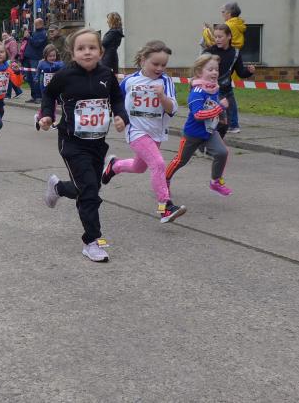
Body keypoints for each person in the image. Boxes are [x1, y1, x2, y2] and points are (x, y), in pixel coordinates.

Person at [39, 28, 128, 263]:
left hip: (97, 143)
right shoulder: (65, 75)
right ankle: (92, 241)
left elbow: (117, 99)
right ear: (72, 52)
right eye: (81, 48)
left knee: (88, 188)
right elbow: (48, 95)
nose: (87, 52)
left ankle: (58, 188)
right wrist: (47, 115)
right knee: (89, 191)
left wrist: (121, 116)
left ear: (100, 51)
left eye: (92, 48)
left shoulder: (107, 74)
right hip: (72, 142)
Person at [101, 41, 186, 223]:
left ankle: (114, 166)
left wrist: (162, 96)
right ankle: (165, 206)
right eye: (155, 64)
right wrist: (119, 118)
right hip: (136, 131)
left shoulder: (166, 82)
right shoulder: (129, 81)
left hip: (156, 132)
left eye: (163, 65)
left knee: (139, 167)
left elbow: (172, 109)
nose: (160, 68)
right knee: (158, 164)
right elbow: (116, 102)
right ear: (142, 60)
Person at [165, 54, 233, 197]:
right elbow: (198, 115)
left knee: (222, 152)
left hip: (209, 131)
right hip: (193, 134)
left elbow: (212, 104)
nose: (214, 72)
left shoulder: (213, 88)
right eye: (210, 69)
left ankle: (215, 182)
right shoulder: (197, 93)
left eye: (216, 69)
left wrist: (222, 117)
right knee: (180, 161)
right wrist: (220, 108)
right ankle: (163, 181)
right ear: (199, 72)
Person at [202, 24, 255, 135]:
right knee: (218, 117)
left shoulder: (235, 53)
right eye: (215, 37)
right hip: (212, 89)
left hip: (227, 88)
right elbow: (200, 70)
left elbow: (241, 73)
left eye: (220, 37)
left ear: (229, 36)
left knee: (232, 122)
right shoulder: (209, 52)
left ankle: (230, 129)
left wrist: (249, 71)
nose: (217, 39)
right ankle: (213, 133)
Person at [33, 44, 64, 130]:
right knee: (48, 104)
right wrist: (36, 78)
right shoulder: (42, 63)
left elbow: (63, 69)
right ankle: (50, 121)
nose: (52, 58)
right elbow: (38, 72)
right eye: (50, 56)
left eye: (54, 55)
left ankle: (39, 117)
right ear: (45, 56)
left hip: (56, 87)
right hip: (45, 87)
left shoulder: (59, 64)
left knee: (53, 104)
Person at [24, 18, 48, 103]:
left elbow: (36, 44)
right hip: (29, 57)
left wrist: (29, 37)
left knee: (35, 78)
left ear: (41, 24)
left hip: (36, 58)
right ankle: (33, 96)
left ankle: (39, 97)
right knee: (29, 78)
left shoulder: (43, 33)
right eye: (35, 24)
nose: (35, 25)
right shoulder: (35, 32)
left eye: (36, 24)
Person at [2, 31, 23, 99]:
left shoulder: (12, 42)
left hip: (10, 62)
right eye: (3, 36)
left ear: (8, 35)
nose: (4, 37)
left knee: (8, 78)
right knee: (10, 78)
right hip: (5, 61)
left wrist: (11, 61)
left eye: (5, 35)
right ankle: (18, 91)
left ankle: (8, 95)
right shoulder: (4, 43)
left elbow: (14, 52)